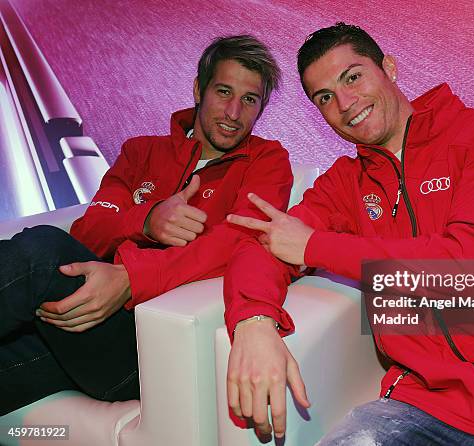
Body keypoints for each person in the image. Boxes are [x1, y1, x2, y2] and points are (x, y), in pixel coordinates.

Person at [222, 23, 474, 444]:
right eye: (325, 97)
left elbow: (470, 268)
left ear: (388, 67)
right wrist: (253, 322)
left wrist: (317, 245)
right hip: (420, 408)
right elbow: (263, 241)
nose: (345, 103)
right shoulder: (346, 184)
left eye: (352, 77)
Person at [0, 35, 292, 415]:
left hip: (151, 350)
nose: (234, 113)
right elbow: (88, 231)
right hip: (83, 327)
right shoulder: (140, 152)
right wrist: (148, 221)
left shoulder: (267, 161)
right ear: (198, 89)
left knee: (41, 252)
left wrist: (131, 280)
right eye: (223, 91)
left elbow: (239, 242)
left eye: (249, 100)